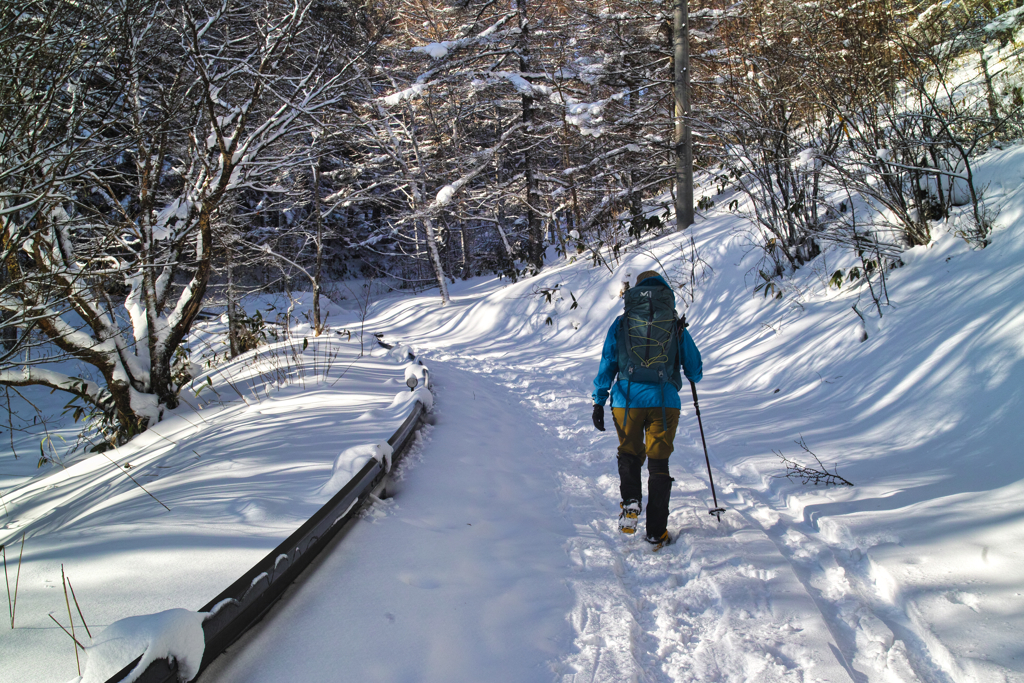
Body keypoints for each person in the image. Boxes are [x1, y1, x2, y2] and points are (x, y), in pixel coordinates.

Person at [591, 270, 703, 546]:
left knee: (629, 452)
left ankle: (630, 500)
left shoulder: (622, 323)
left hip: (627, 402)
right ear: (664, 292)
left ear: (635, 292)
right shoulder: (674, 324)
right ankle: (656, 531)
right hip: (665, 403)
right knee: (658, 463)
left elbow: (608, 362)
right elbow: (695, 371)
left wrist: (599, 400)